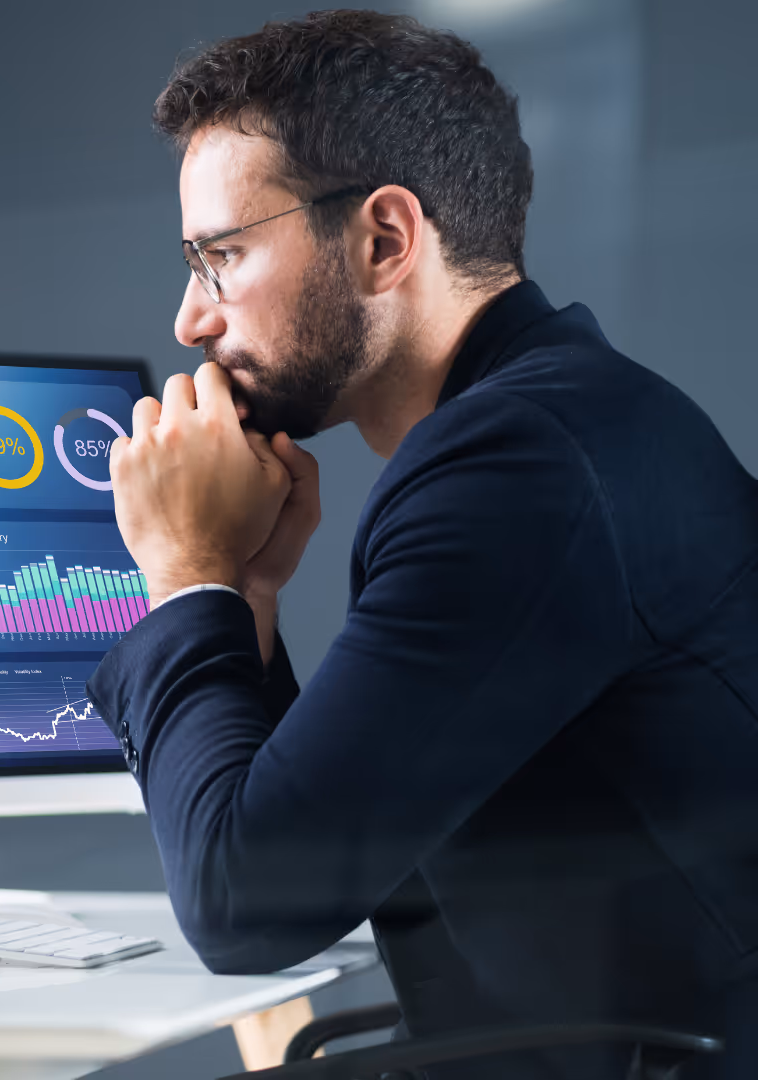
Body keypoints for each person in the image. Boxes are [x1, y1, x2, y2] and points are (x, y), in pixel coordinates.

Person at [88, 10, 758, 1078]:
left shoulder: (516, 468)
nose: (190, 321)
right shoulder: (564, 423)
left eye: (220, 257)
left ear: (385, 239)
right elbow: (322, 847)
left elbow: (244, 906)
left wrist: (184, 573)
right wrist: (246, 592)